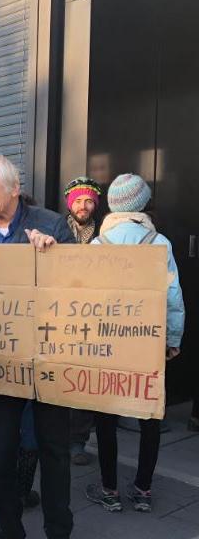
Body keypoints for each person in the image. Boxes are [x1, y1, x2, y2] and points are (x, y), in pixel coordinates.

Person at [0, 155, 76, 539]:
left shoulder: (51, 224)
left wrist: (55, 256)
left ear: (14, 188)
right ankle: (9, 534)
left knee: (54, 450)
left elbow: (78, 288)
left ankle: (60, 538)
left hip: (48, 357)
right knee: (0, 452)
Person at [85, 173, 185, 514]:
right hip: (148, 341)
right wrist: (172, 338)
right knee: (150, 415)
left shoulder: (98, 245)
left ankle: (109, 490)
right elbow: (172, 295)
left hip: (107, 342)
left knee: (106, 417)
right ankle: (142, 489)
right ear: (143, 205)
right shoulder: (160, 242)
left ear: (112, 205)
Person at [63, 176, 103, 466]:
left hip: (94, 316)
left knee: (86, 381)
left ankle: (78, 440)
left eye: (89, 200)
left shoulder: (104, 234)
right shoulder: (54, 228)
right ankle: (53, 436)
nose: (83, 205)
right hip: (59, 315)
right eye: (78, 200)